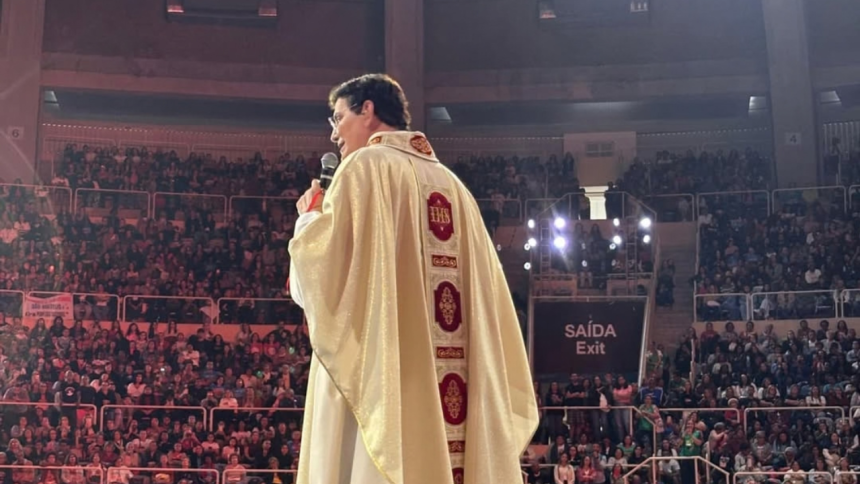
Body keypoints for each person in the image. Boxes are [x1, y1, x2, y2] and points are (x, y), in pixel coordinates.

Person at [288, 73, 539, 484]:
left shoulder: (363, 168)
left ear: (367, 110)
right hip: (453, 380)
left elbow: (319, 278)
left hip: (390, 373)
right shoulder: (454, 187)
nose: (334, 134)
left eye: (338, 118)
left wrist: (308, 220)